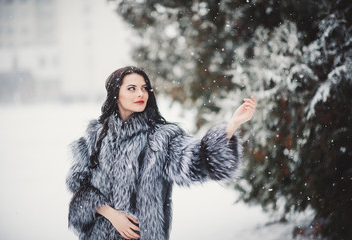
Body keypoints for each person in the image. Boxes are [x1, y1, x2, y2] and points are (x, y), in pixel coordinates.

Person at [66, 66, 257, 240]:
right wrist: (111, 214)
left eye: (144, 88)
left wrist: (231, 126)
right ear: (116, 94)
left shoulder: (161, 138)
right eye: (132, 88)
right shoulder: (95, 136)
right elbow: (78, 184)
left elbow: (197, 161)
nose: (140, 93)